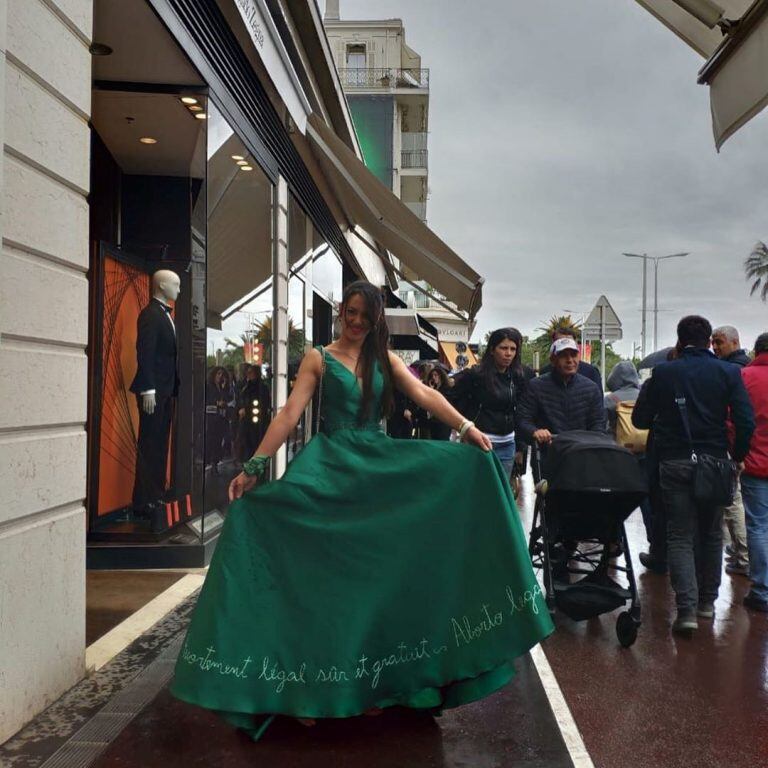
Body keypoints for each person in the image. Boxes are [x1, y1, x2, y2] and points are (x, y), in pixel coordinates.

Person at [171, 281, 553, 740]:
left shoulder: (384, 360)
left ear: (374, 321)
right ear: (341, 313)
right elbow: (290, 413)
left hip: (377, 470)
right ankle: (304, 691)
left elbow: (424, 395)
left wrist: (467, 427)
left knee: (373, 583)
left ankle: (376, 684)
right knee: (321, 585)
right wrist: (255, 465)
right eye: (349, 313)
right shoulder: (317, 357)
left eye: (363, 317)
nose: (354, 322)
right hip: (329, 471)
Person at [632, 315, 755, 635]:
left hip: (674, 462)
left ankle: (684, 610)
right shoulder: (728, 371)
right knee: (712, 534)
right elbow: (745, 420)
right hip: (715, 463)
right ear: (707, 340)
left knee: (680, 535)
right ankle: (706, 604)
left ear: (680, 339)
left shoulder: (665, 372)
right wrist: (738, 456)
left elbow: (642, 419)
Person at [450, 328, 528, 475]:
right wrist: (462, 426)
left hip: (508, 444)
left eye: (513, 349)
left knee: (500, 492)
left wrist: (521, 447)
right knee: (478, 490)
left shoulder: (518, 377)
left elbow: (521, 413)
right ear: (492, 350)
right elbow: (449, 394)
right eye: (503, 348)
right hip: (479, 441)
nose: (508, 353)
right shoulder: (475, 374)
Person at [516, 337, 605, 454]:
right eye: (564, 356)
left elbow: (598, 424)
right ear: (553, 360)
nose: (570, 360)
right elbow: (522, 420)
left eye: (574, 355)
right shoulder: (536, 386)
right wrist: (535, 432)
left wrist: (590, 443)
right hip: (547, 455)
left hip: (583, 456)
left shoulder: (591, 388)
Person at [712, 325, 751, 576]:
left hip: (737, 447)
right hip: (750, 447)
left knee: (733, 502)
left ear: (734, 342)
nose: (715, 347)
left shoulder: (732, 372)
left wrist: (736, 454)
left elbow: (738, 417)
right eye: (713, 342)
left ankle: (744, 555)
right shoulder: (744, 366)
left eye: (719, 342)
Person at [740, 333, 768, 612]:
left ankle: (762, 589)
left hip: (756, 462)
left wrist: (738, 454)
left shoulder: (745, 376)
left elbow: (734, 419)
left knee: (759, 526)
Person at [539, 326, 603, 392]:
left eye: (570, 344)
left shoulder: (591, 372)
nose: (569, 359)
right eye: (561, 344)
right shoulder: (543, 375)